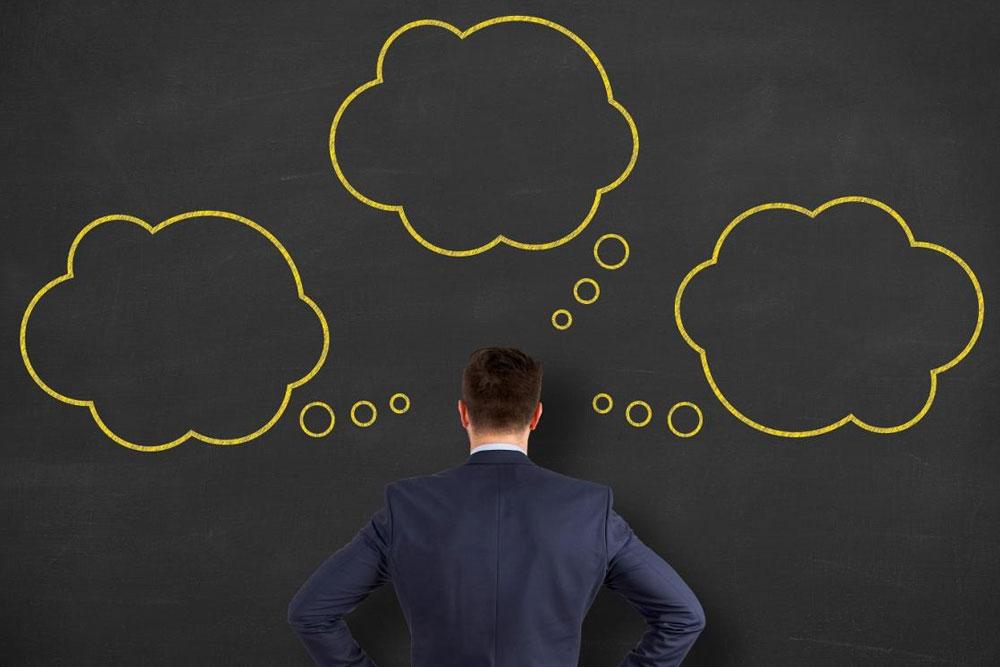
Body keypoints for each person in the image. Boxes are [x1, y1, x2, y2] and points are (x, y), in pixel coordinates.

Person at [287, 347, 705, 666]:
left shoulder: (406, 507)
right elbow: (683, 617)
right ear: (536, 416)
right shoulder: (590, 510)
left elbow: (310, 613)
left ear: (463, 413)